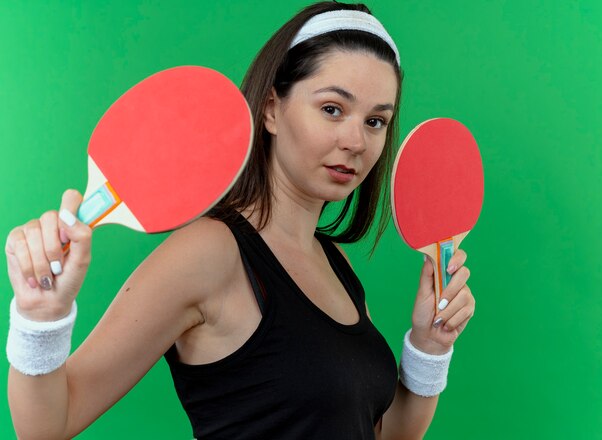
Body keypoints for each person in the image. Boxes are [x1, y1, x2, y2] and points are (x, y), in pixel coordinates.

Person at [5, 2, 475, 439]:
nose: (356, 140)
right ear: (272, 109)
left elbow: (381, 433)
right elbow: (47, 425)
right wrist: (40, 321)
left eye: (376, 121)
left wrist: (429, 347)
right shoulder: (209, 253)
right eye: (332, 109)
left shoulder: (337, 265)